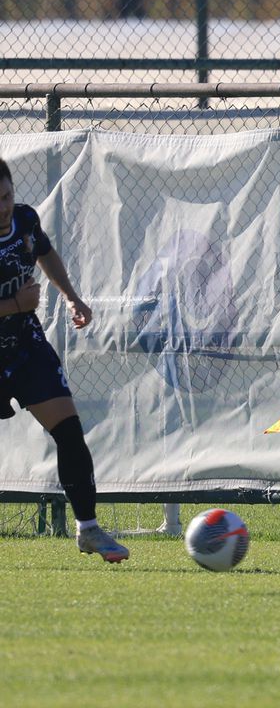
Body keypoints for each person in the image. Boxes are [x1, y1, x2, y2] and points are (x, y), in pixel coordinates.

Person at [0, 158, 128, 563]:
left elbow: (45, 252)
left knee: (70, 431)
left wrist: (71, 295)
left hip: (26, 346)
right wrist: (14, 303)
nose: (2, 206)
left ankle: (88, 529)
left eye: (6, 196)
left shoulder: (24, 220)